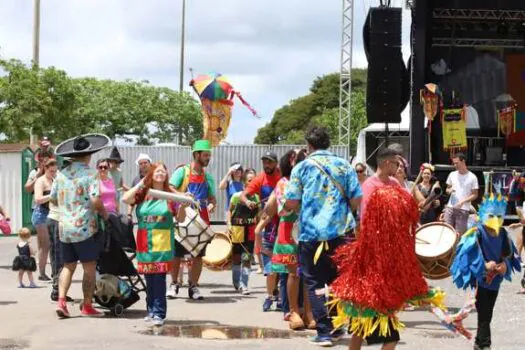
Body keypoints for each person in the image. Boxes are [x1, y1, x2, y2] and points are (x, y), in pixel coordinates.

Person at [330, 186, 446, 350]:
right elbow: (401, 275)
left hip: (362, 301)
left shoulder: (369, 240)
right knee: (390, 340)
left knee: (358, 333)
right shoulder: (390, 247)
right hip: (374, 303)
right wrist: (421, 293)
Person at [284, 126, 361, 346]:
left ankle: (324, 332)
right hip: (341, 233)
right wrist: (343, 212)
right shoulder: (344, 165)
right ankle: (337, 328)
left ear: (309, 146)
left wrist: (300, 209)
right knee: (338, 281)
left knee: (314, 281)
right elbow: (356, 199)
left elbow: (290, 202)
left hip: (311, 234)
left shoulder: (302, 167)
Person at [450, 191, 521, 350]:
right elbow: (469, 253)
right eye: (491, 215)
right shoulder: (478, 232)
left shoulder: (503, 233)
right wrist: (483, 265)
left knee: (487, 312)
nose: (495, 220)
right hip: (481, 278)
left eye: (498, 216)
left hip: (496, 279)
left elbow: (509, 253)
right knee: (485, 312)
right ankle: (485, 344)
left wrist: (505, 266)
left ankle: (478, 342)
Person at [51, 134, 110, 318]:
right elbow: (95, 199)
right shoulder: (91, 174)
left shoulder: (61, 174)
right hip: (84, 227)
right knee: (89, 267)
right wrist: (104, 213)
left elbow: (53, 198)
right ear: (89, 154)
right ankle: (86, 305)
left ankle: (61, 301)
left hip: (64, 228)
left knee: (68, 265)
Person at [123, 162, 189, 326]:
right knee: (149, 279)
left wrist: (183, 206)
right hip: (144, 241)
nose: (160, 174)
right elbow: (125, 198)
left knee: (159, 279)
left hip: (162, 242)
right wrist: (141, 182)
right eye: (157, 171)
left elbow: (180, 219)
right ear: (151, 174)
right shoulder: (143, 193)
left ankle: (159, 313)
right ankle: (151, 310)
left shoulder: (171, 195)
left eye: (163, 171)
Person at [270, 149, 315, 330]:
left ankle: (310, 312)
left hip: (309, 229)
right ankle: (294, 311)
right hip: (290, 231)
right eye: (296, 158)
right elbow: (285, 207)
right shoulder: (283, 182)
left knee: (308, 273)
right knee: (293, 273)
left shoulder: (311, 181)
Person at [167, 139, 217, 300]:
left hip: (200, 221)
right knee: (177, 254)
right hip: (183, 218)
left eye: (209, 155)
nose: (208, 158)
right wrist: (183, 196)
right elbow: (170, 187)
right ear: (196, 155)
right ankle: (174, 284)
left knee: (198, 256)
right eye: (205, 155)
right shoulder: (182, 172)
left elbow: (212, 199)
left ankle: (193, 286)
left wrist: (211, 205)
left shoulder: (208, 177)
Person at [243, 151, 281, 311]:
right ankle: (270, 295)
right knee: (270, 268)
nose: (267, 165)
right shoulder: (260, 178)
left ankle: (278, 294)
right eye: (265, 161)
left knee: (282, 265)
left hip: (285, 225)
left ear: (276, 163)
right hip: (268, 226)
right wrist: (248, 202)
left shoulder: (283, 176)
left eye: (270, 162)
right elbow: (244, 195)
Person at [228, 168, 259, 295]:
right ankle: (236, 282)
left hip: (250, 232)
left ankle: (244, 284)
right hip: (237, 231)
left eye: (254, 180)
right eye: (249, 180)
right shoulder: (236, 196)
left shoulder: (257, 197)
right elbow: (230, 211)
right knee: (236, 258)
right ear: (244, 182)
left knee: (246, 258)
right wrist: (229, 224)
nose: (252, 183)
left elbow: (259, 214)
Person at [47, 162, 73, 302]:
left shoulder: (59, 180)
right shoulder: (62, 180)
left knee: (56, 255)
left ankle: (57, 288)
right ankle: (57, 289)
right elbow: (54, 199)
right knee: (59, 255)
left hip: (54, 218)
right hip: (57, 219)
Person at [32, 159, 58, 281]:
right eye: (51, 170)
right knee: (45, 245)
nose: (53, 173)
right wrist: (52, 195)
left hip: (52, 213)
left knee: (54, 244)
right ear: (45, 168)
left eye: (55, 170)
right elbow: (38, 199)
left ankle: (55, 271)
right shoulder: (40, 181)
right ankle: (42, 273)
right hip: (40, 214)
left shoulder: (54, 180)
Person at [360, 148, 401, 221]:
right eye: (397, 163)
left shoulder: (395, 183)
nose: (398, 167)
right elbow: (366, 216)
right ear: (387, 162)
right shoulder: (369, 185)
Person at [444, 153, 479, 234]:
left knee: (458, 234)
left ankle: (457, 247)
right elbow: (447, 189)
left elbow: (475, 194)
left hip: (463, 209)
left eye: (457, 163)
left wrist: (462, 202)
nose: (455, 165)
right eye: (454, 163)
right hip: (450, 208)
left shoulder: (472, 177)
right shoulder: (452, 174)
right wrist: (449, 191)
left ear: (463, 161)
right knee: (447, 232)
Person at [127, 153, 152, 218]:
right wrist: (129, 214)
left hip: (155, 213)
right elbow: (132, 198)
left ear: (150, 163)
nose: (143, 165)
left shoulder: (156, 177)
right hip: (141, 215)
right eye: (141, 164)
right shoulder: (136, 180)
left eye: (145, 163)